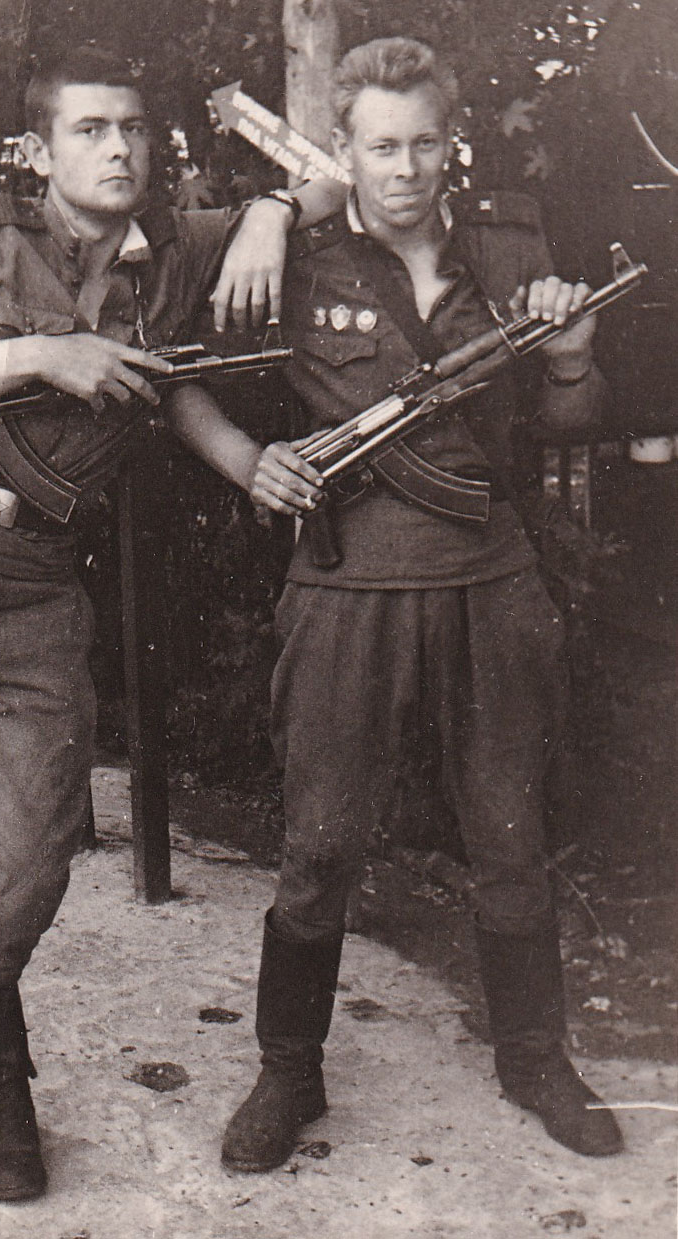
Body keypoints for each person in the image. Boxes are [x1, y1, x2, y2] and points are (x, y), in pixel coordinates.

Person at [0, 45, 341, 1206]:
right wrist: (40, 354)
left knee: (30, 859)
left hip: (37, 582)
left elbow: (332, 188)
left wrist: (268, 214)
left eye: (135, 129)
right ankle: (3, 1092)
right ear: (41, 149)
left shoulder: (178, 251)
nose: (120, 149)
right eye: (92, 130)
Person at [169, 36, 623, 1172]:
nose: (406, 168)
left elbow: (573, 425)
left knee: (510, 832)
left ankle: (534, 1058)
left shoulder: (508, 249)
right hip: (348, 586)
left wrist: (571, 357)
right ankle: (287, 1069)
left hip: (491, 581)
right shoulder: (294, 256)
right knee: (320, 840)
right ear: (348, 152)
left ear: (450, 143)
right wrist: (250, 465)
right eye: (382, 147)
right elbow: (185, 388)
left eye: (424, 143)